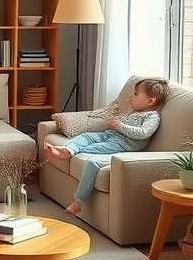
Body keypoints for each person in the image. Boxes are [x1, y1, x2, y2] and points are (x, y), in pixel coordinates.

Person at [45, 77, 170, 215]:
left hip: (123, 144)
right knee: (86, 137)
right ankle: (68, 150)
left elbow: (143, 133)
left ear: (150, 101)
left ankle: (78, 201)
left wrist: (120, 125)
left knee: (89, 153)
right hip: (110, 135)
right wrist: (114, 122)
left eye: (135, 94)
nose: (131, 97)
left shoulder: (152, 117)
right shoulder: (134, 112)